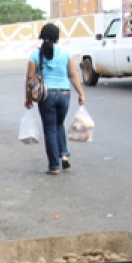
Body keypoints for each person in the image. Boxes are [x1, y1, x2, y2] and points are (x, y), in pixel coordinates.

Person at [24, 23, 86, 175]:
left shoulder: (35, 54)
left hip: (46, 96)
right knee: (59, 125)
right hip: (64, 94)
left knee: (50, 129)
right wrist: (81, 93)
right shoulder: (66, 53)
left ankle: (54, 166)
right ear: (57, 37)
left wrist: (28, 97)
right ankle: (63, 154)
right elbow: (72, 74)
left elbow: (30, 77)